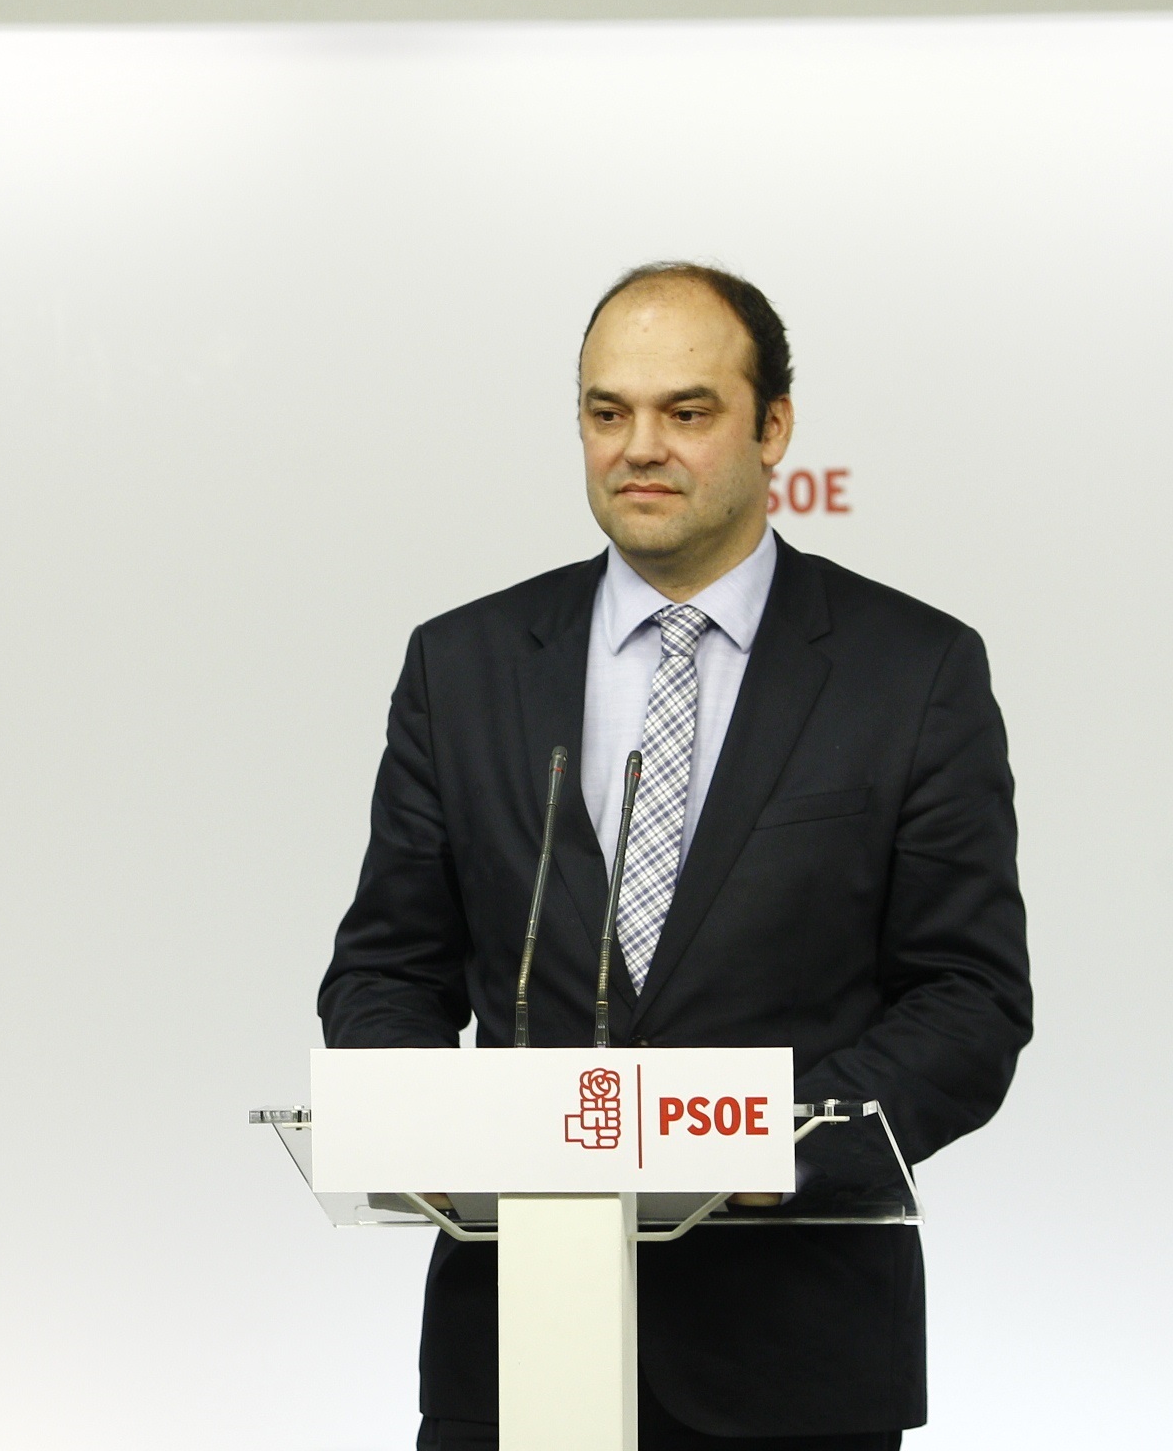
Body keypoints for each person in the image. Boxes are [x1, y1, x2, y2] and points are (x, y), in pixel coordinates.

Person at [317, 264, 1031, 1449]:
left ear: (774, 427)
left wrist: (765, 1144)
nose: (639, 446)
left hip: (793, 1358)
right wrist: (427, 1125)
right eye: (608, 412)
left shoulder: (914, 670)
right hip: (516, 1349)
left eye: (686, 411)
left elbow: (969, 999)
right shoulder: (465, 664)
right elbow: (386, 971)